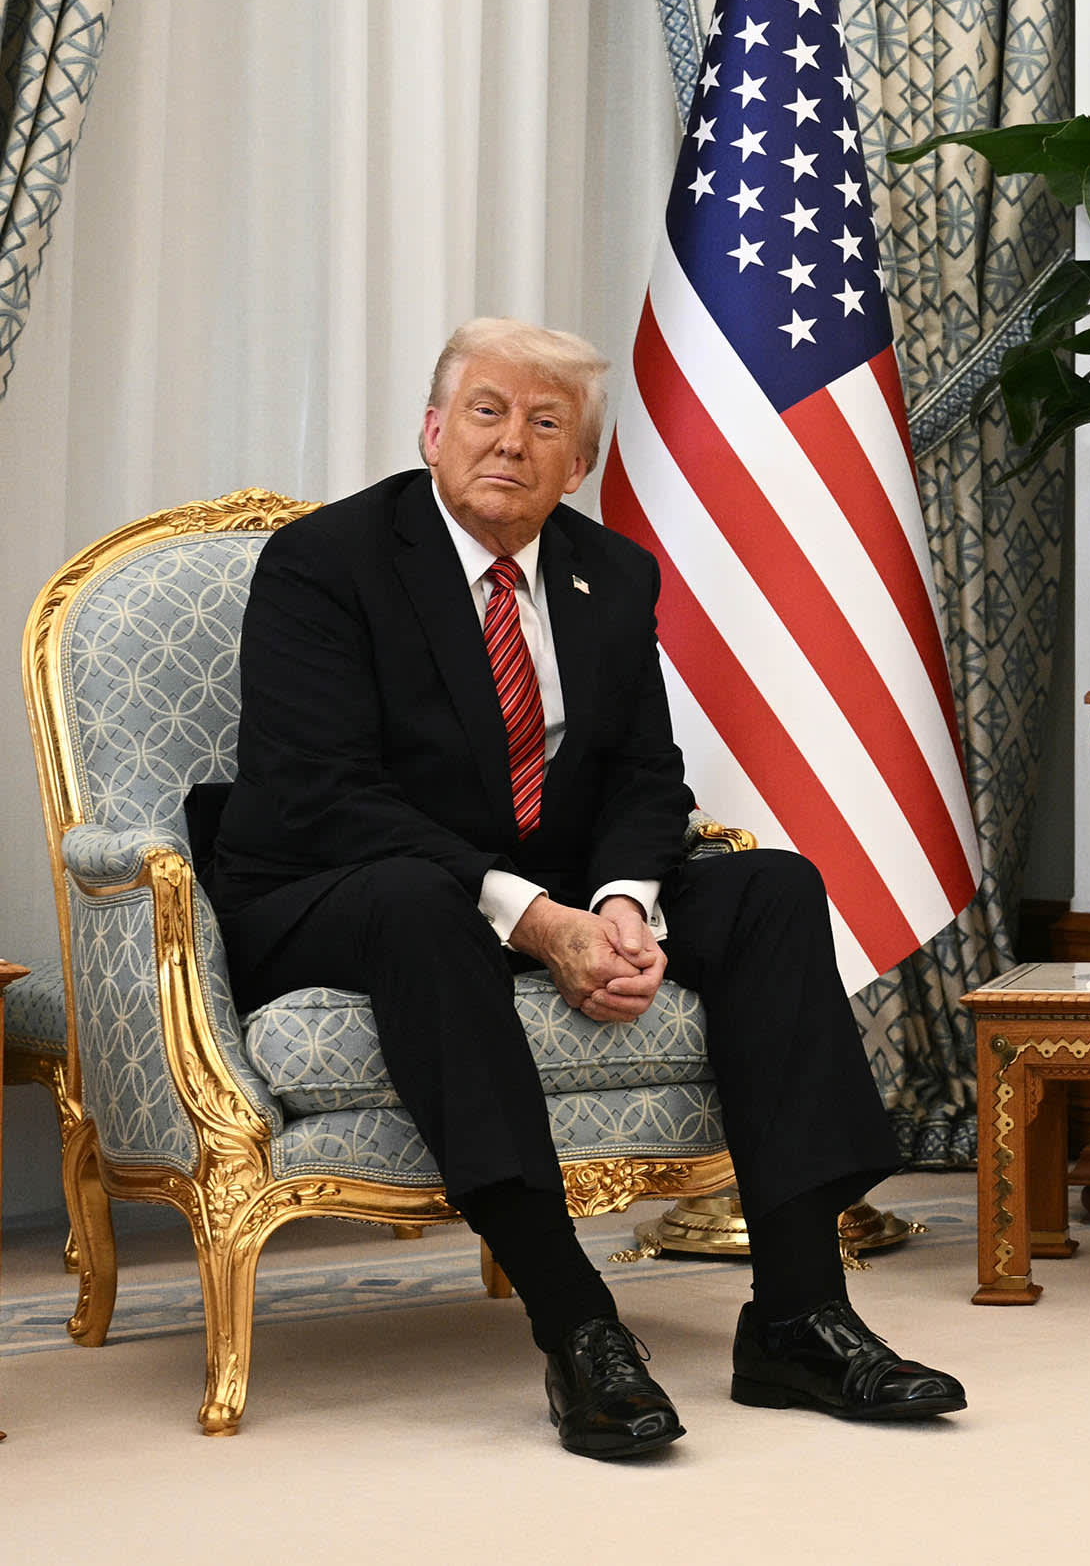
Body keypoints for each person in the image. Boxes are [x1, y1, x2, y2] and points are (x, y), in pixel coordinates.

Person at [210, 318, 965, 1459]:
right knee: (423, 903)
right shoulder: (329, 561)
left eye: (545, 422)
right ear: (431, 428)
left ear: (581, 463)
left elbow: (643, 776)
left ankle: (799, 1316)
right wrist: (534, 914)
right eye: (485, 410)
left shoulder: (608, 572)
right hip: (339, 886)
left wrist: (619, 902)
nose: (511, 441)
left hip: (547, 888)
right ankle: (581, 1330)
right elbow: (323, 794)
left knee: (773, 888)